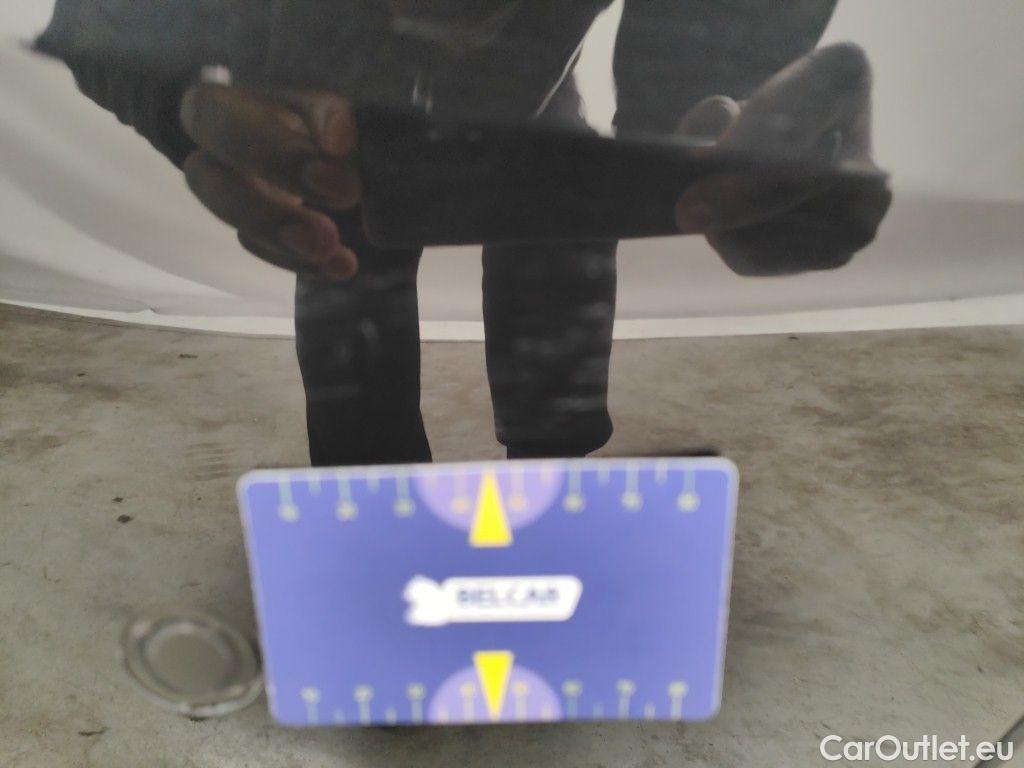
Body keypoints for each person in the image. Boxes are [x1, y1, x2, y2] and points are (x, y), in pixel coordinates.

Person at [38, 0, 890, 465]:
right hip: (342, 78)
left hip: (447, 84)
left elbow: (688, 105)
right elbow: (99, 24)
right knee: (351, 247)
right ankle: (390, 494)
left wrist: (735, 151)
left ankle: (530, 471)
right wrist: (188, 103)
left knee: (515, 212)